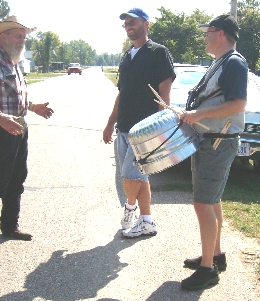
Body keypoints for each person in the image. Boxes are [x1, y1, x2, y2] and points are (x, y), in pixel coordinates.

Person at [0, 16, 54, 251]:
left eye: (24, 36)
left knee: (17, 178)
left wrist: (34, 106)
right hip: (0, 129)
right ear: (3, 36)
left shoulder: (12, 60)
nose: (22, 40)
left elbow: (14, 96)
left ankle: (9, 226)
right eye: (18, 35)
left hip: (19, 126)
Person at [179, 14, 248, 290]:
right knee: (213, 199)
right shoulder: (221, 62)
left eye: (208, 32)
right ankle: (215, 256)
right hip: (211, 139)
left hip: (218, 141)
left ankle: (208, 270)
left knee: (202, 203)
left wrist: (198, 114)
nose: (205, 36)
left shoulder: (233, 62)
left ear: (220, 34)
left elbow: (238, 104)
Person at [103, 8, 175, 238]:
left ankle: (130, 208)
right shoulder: (127, 56)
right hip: (124, 127)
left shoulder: (158, 53)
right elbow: (122, 93)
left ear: (146, 24)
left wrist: (160, 129)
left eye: (132, 22)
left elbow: (164, 92)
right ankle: (147, 221)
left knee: (129, 176)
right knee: (140, 177)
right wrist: (109, 123)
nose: (128, 26)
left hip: (145, 131)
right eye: (125, 24)